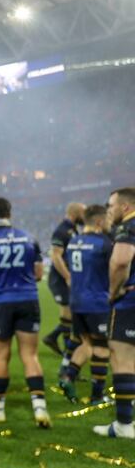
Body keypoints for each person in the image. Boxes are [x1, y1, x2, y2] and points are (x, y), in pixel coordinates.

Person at [0, 196, 51, 428]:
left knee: (1, 356)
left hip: (1, 301)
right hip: (28, 299)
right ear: (10, 212)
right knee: (30, 355)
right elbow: (38, 274)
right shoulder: (29, 237)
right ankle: (40, 408)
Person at [59, 205, 112, 404]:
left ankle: (68, 376)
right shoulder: (105, 243)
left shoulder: (74, 241)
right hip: (97, 301)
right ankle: (97, 395)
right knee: (101, 346)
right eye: (107, 218)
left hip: (77, 300)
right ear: (99, 221)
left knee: (86, 343)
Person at [95, 187, 135, 439]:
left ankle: (123, 424)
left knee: (122, 358)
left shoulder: (127, 227)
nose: (108, 210)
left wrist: (112, 291)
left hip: (130, 300)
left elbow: (121, 261)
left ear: (125, 207)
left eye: (111, 206)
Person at [45, 202, 85, 358]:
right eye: (84, 212)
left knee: (70, 316)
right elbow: (55, 256)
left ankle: (58, 343)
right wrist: (67, 276)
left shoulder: (73, 230)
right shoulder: (61, 230)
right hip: (59, 279)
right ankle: (66, 351)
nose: (85, 216)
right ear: (75, 213)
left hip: (67, 278)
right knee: (68, 316)